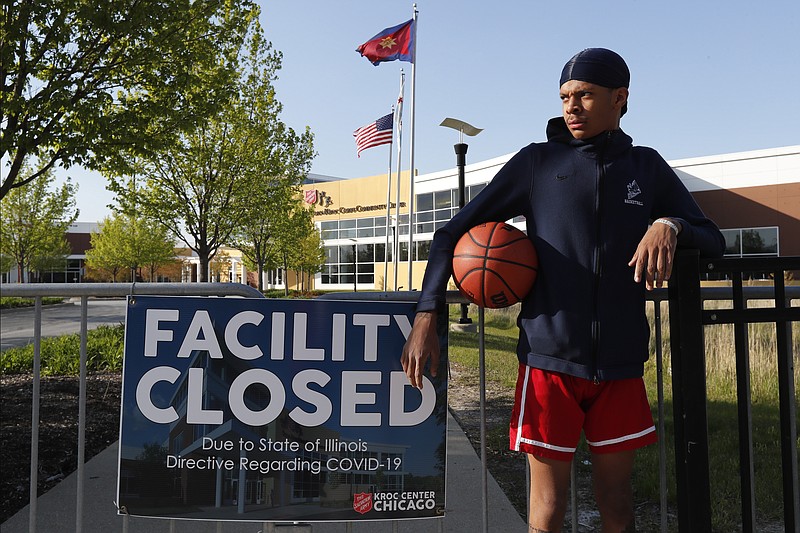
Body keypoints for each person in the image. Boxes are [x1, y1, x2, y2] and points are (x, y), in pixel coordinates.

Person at [401, 48, 725, 532]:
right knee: (548, 511)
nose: (571, 106)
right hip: (548, 363)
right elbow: (450, 232)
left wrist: (670, 223)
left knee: (617, 505)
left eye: (585, 96)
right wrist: (428, 314)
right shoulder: (537, 162)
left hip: (620, 363)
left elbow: (713, 238)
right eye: (565, 97)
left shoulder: (646, 167)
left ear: (620, 98)